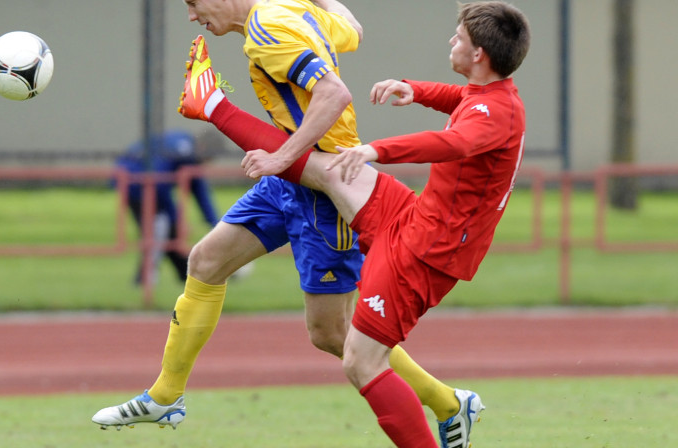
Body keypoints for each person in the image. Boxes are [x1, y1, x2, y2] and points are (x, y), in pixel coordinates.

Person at [93, 2, 484, 447]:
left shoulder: (266, 30)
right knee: (205, 261)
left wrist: (280, 156)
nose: (191, 14)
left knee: (332, 335)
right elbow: (352, 29)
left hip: (325, 193)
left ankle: (448, 402)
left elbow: (334, 93)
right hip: (290, 180)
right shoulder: (289, 9)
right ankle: (165, 397)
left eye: (193, 3)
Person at [115, 130, 219, 285]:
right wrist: (176, 218)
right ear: (203, 147)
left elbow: (199, 191)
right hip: (135, 184)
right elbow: (157, 182)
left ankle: (189, 277)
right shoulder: (182, 148)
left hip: (142, 185)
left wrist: (218, 229)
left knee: (168, 231)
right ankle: (145, 281)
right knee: (159, 229)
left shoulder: (190, 154)